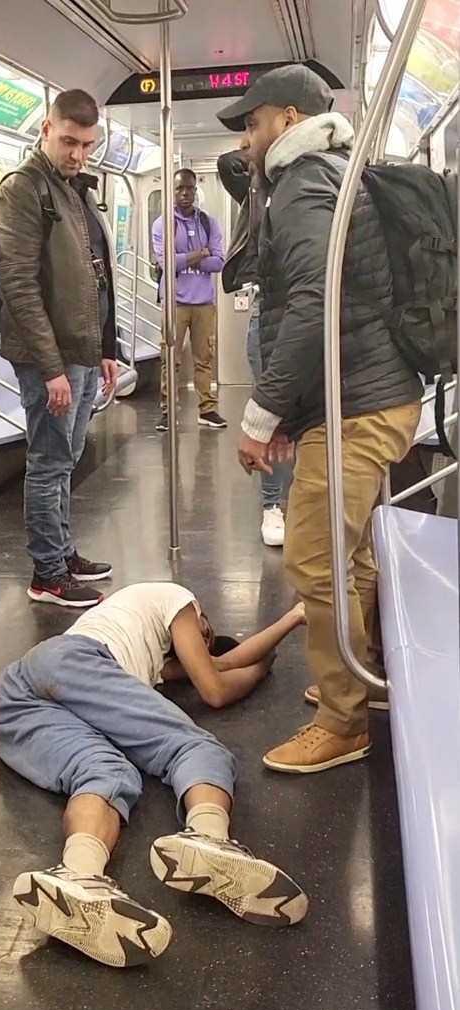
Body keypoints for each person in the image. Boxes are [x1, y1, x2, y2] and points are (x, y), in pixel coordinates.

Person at [217, 65, 422, 772]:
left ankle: (344, 721)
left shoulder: (303, 184)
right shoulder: (336, 173)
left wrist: (259, 414)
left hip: (356, 405)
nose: (245, 139)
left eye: (252, 122)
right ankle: (362, 677)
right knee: (350, 555)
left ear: (285, 118)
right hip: (370, 394)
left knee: (313, 557)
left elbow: (308, 307)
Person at [0, 582, 308, 968]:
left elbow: (220, 664)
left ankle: (78, 875)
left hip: (16, 699)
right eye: (204, 632)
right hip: (72, 660)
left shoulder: (152, 660)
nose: (204, 640)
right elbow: (215, 688)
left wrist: (257, 657)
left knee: (106, 772)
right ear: (200, 614)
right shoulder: (180, 600)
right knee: (196, 747)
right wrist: (288, 624)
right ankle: (210, 835)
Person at [0, 89, 119, 609]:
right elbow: (19, 284)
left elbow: (95, 274)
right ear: (46, 128)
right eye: (69, 141)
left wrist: (106, 346)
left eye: (88, 145)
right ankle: (47, 572)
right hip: (51, 358)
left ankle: (63, 552)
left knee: (67, 458)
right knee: (47, 462)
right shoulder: (23, 190)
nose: (78, 154)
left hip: (81, 353)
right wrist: (51, 368)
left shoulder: (71, 189)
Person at [218, 147, 293, 546]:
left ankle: (299, 501)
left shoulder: (312, 190)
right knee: (269, 409)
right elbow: (226, 162)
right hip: (267, 304)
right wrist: (265, 148)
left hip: (305, 302)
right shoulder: (257, 188)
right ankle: (271, 505)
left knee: (306, 416)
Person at [152, 168, 226, 432]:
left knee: (204, 358)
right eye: (179, 189)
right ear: (172, 192)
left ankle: (207, 409)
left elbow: (218, 262)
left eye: (189, 188)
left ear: (196, 190)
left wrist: (186, 258)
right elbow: (167, 262)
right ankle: (167, 411)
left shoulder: (209, 222)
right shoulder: (163, 225)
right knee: (170, 358)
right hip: (175, 303)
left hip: (204, 302)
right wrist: (200, 252)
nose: (185, 193)